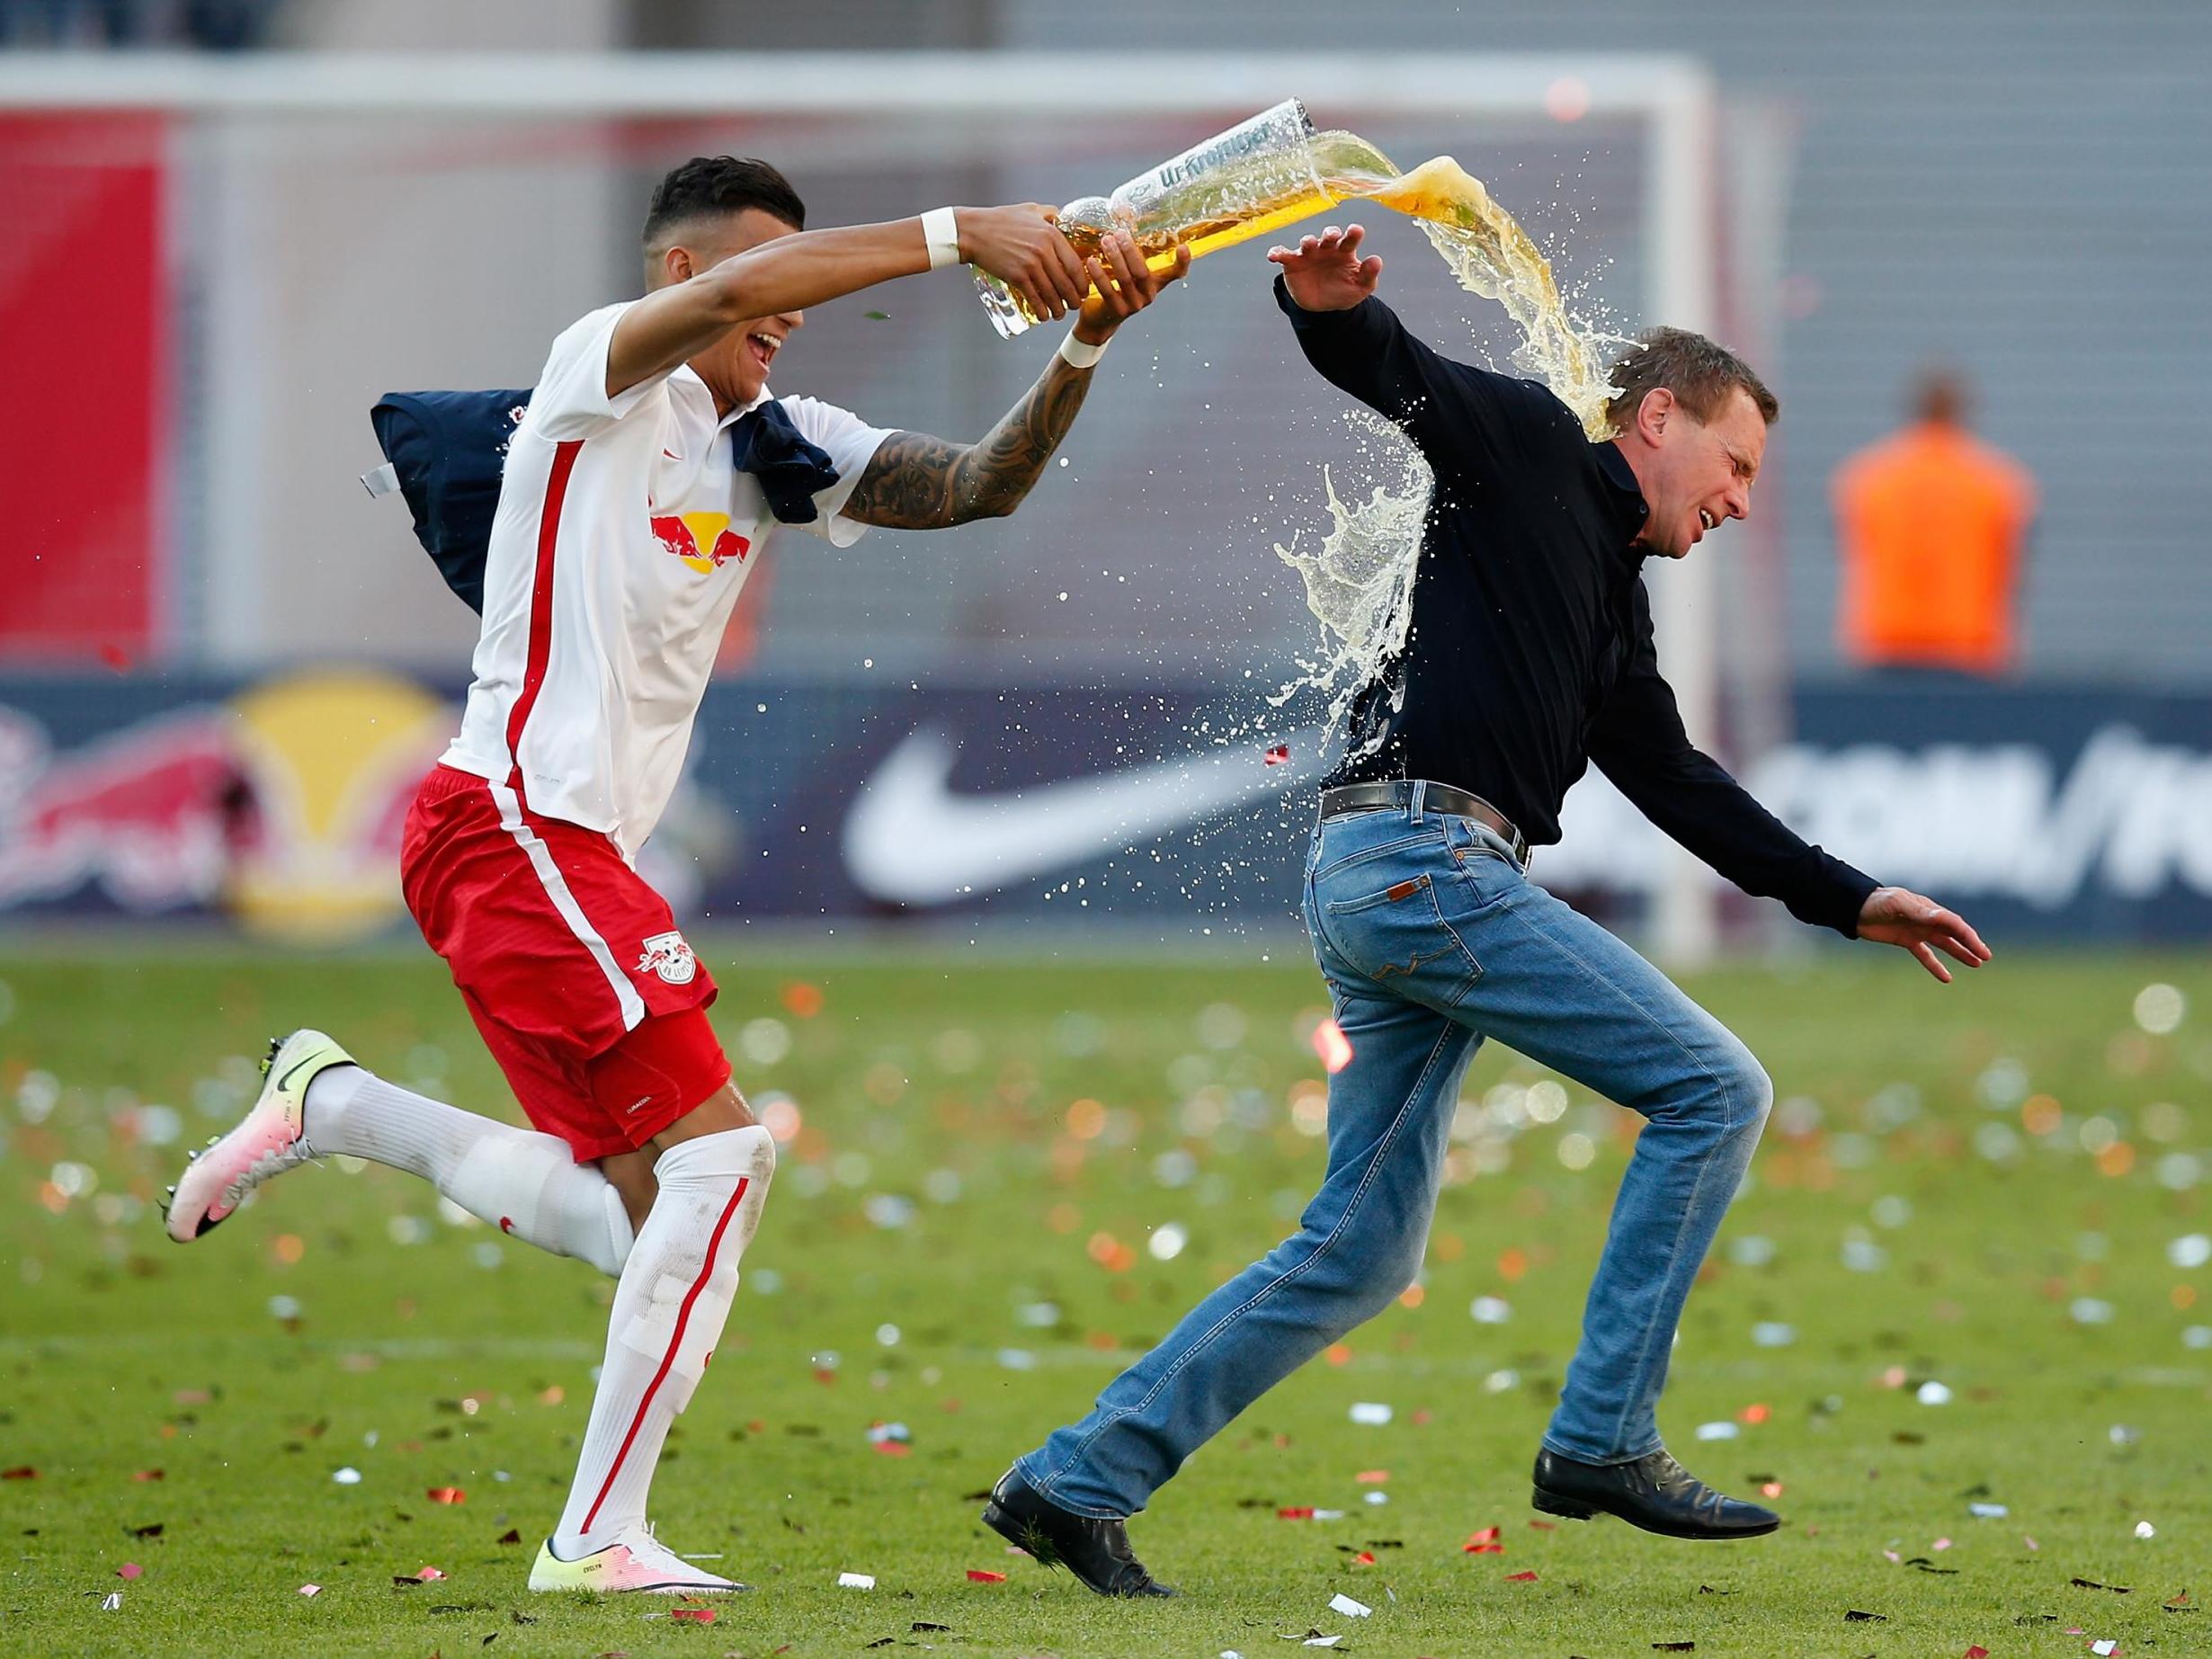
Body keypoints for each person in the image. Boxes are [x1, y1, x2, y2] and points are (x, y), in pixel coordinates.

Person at [165, 155, 1187, 1596]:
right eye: (761, 282)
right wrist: (968, 236)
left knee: (654, 1217)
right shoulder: (600, 374)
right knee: (723, 1159)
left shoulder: (776, 443)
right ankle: (593, 1538)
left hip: (553, 859)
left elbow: (976, 486)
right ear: (675, 280)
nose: (785, 317)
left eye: (787, 290)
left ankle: (333, 1104)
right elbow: (746, 287)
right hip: (516, 826)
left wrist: (1086, 338)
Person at [983, 225, 1990, 1597]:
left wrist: (1847, 895)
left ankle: (1073, 1480)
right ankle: (1602, 1441)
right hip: (1425, 868)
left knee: (1362, 1250)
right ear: (1656, 420)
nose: (1747, 499)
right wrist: (1321, 306)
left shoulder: (1614, 603)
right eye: (1738, 464)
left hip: (1385, 873)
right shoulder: (1524, 446)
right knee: (1716, 1088)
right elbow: (1401, 375)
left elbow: (1679, 783)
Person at [1833, 370, 2038, 676]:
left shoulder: (1869, 478)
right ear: (1961, 411)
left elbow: (1854, 550)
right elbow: (2013, 571)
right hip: (1968, 646)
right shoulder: (1997, 481)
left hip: (1888, 640)